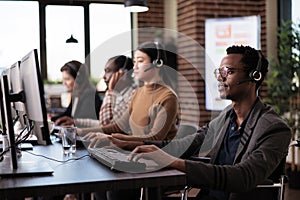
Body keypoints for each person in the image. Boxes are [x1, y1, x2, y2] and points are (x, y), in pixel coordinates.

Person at [123, 45, 292, 200]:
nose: (220, 78)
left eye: (228, 72)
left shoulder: (274, 128)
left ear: (254, 76)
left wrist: (171, 161)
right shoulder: (227, 116)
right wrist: (124, 144)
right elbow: (187, 145)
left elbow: (244, 177)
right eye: (219, 72)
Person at [81, 41, 178, 146]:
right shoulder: (138, 92)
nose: (135, 66)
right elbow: (119, 126)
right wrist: (81, 131)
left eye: (140, 61)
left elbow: (155, 138)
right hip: (134, 153)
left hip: (156, 158)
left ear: (157, 63)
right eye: (134, 61)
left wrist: (113, 139)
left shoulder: (168, 97)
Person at [54, 55, 137, 127]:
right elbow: (104, 124)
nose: (104, 76)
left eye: (108, 71)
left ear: (122, 73)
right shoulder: (117, 95)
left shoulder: (132, 95)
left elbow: (106, 125)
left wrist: (110, 91)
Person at [51, 60, 102, 126]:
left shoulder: (90, 95)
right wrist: (51, 118)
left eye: (67, 79)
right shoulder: (76, 94)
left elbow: (81, 121)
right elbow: (67, 114)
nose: (64, 83)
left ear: (78, 79)